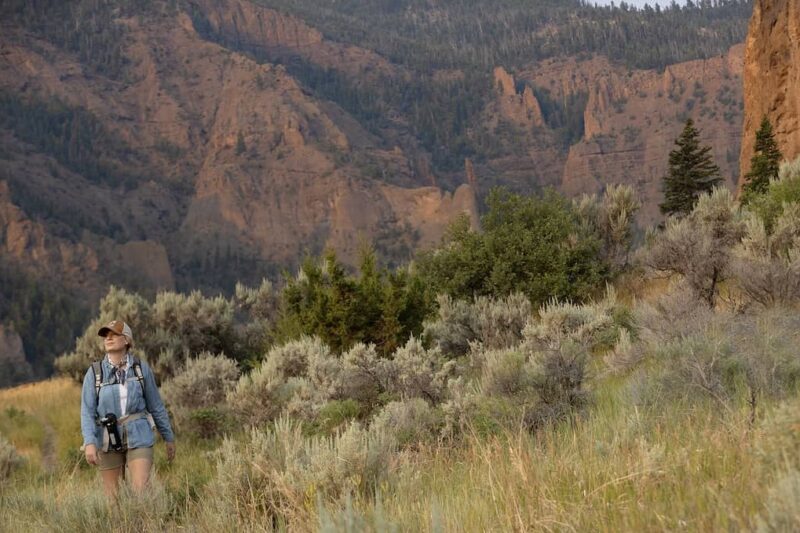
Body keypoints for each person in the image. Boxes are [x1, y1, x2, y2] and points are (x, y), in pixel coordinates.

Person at [80, 319, 176, 498]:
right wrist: (90, 443)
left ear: (126, 340)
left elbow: (156, 406)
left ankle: (144, 526)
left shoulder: (140, 369)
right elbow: (87, 411)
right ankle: (120, 527)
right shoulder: (94, 373)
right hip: (107, 439)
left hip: (139, 434)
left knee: (141, 492)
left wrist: (168, 437)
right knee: (113, 500)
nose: (108, 338)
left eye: (114, 334)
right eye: (105, 336)